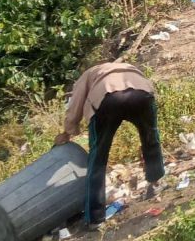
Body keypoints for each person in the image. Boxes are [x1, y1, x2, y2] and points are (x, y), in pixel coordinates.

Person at [54, 62, 164, 229]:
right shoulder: (128, 66)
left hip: (108, 100)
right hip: (142, 94)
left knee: (98, 158)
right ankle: (155, 183)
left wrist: (68, 131)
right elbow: (148, 85)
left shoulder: (88, 74)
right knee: (150, 140)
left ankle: (95, 218)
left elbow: (75, 106)